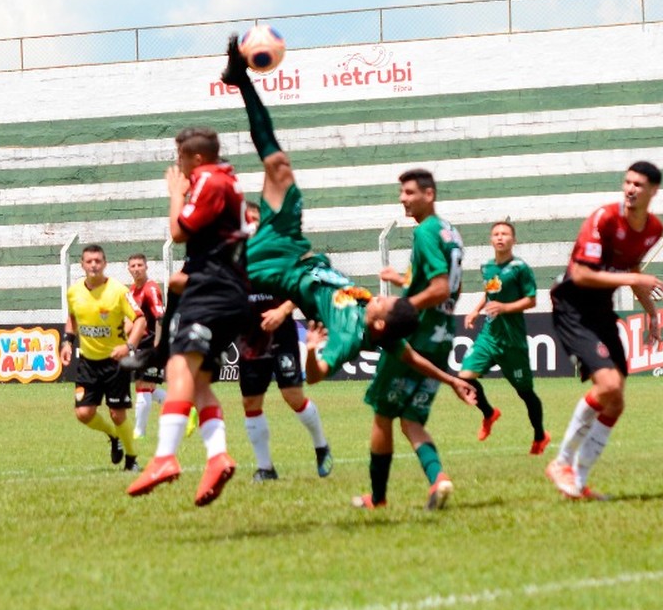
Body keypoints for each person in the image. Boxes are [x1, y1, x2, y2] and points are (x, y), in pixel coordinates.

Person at [219, 37, 478, 508]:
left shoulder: (348, 333)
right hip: (298, 248)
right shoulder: (377, 319)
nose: (377, 295)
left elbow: (317, 375)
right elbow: (413, 358)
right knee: (277, 164)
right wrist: (451, 378)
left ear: (377, 322)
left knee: (203, 271)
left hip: (279, 270)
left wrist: (316, 351)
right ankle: (241, 84)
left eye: (383, 302)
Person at [126, 127, 250, 507]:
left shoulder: (210, 181)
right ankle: (218, 456)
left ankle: (164, 457)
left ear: (195, 158)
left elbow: (179, 231)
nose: (176, 164)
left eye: (179, 156)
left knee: (178, 370)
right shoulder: (225, 181)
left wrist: (176, 195)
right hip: (224, 290)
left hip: (211, 292)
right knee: (198, 384)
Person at [545, 163, 663, 501]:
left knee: (615, 402)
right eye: (627, 182)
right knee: (608, 385)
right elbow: (583, 275)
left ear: (653, 191)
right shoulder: (604, 219)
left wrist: (652, 315)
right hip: (572, 307)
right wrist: (633, 280)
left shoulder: (653, 228)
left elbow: (632, 269)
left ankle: (578, 484)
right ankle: (562, 463)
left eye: (638, 184)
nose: (630, 189)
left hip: (601, 311)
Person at [360, 168, 466, 510]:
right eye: (401, 193)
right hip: (443, 333)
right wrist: (405, 281)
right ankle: (439, 479)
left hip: (415, 335)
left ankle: (377, 499)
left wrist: (403, 307)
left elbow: (438, 287)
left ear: (429, 194)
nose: (402, 198)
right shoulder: (451, 232)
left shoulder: (425, 232)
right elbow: (453, 286)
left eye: (408, 192)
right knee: (411, 420)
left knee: (382, 414)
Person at [236, 204, 334, 482]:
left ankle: (320, 445)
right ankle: (265, 468)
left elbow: (308, 280)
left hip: (281, 336)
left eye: (255, 220)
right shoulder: (232, 256)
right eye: (245, 221)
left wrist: (283, 310)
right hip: (250, 339)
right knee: (250, 401)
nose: (250, 225)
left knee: (292, 397)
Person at [461, 220, 547, 452]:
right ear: (491, 240)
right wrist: (475, 310)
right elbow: (490, 294)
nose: (500, 237)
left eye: (505, 234)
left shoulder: (520, 268)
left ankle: (540, 436)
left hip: (512, 341)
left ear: (513, 240)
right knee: (464, 377)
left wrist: (504, 308)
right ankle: (489, 413)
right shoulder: (487, 267)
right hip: (489, 336)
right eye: (496, 234)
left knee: (525, 393)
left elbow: (531, 300)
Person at [60, 245, 146, 471]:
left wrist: (128, 346)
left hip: (115, 364)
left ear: (105, 263)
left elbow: (140, 320)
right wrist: (67, 342)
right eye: (89, 261)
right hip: (88, 363)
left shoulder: (118, 291)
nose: (93, 265)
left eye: (97, 261)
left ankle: (131, 459)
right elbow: (72, 319)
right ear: (82, 265)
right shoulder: (74, 292)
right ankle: (112, 436)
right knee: (83, 414)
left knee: (118, 415)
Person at [125, 253, 168, 438]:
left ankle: (139, 433)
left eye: (139, 265)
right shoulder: (132, 290)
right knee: (147, 386)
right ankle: (185, 407)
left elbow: (160, 317)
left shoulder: (151, 289)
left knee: (143, 386)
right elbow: (131, 320)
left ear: (146, 267)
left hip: (151, 345)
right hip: (139, 345)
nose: (136, 269)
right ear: (128, 269)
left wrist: (158, 345)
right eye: (133, 266)